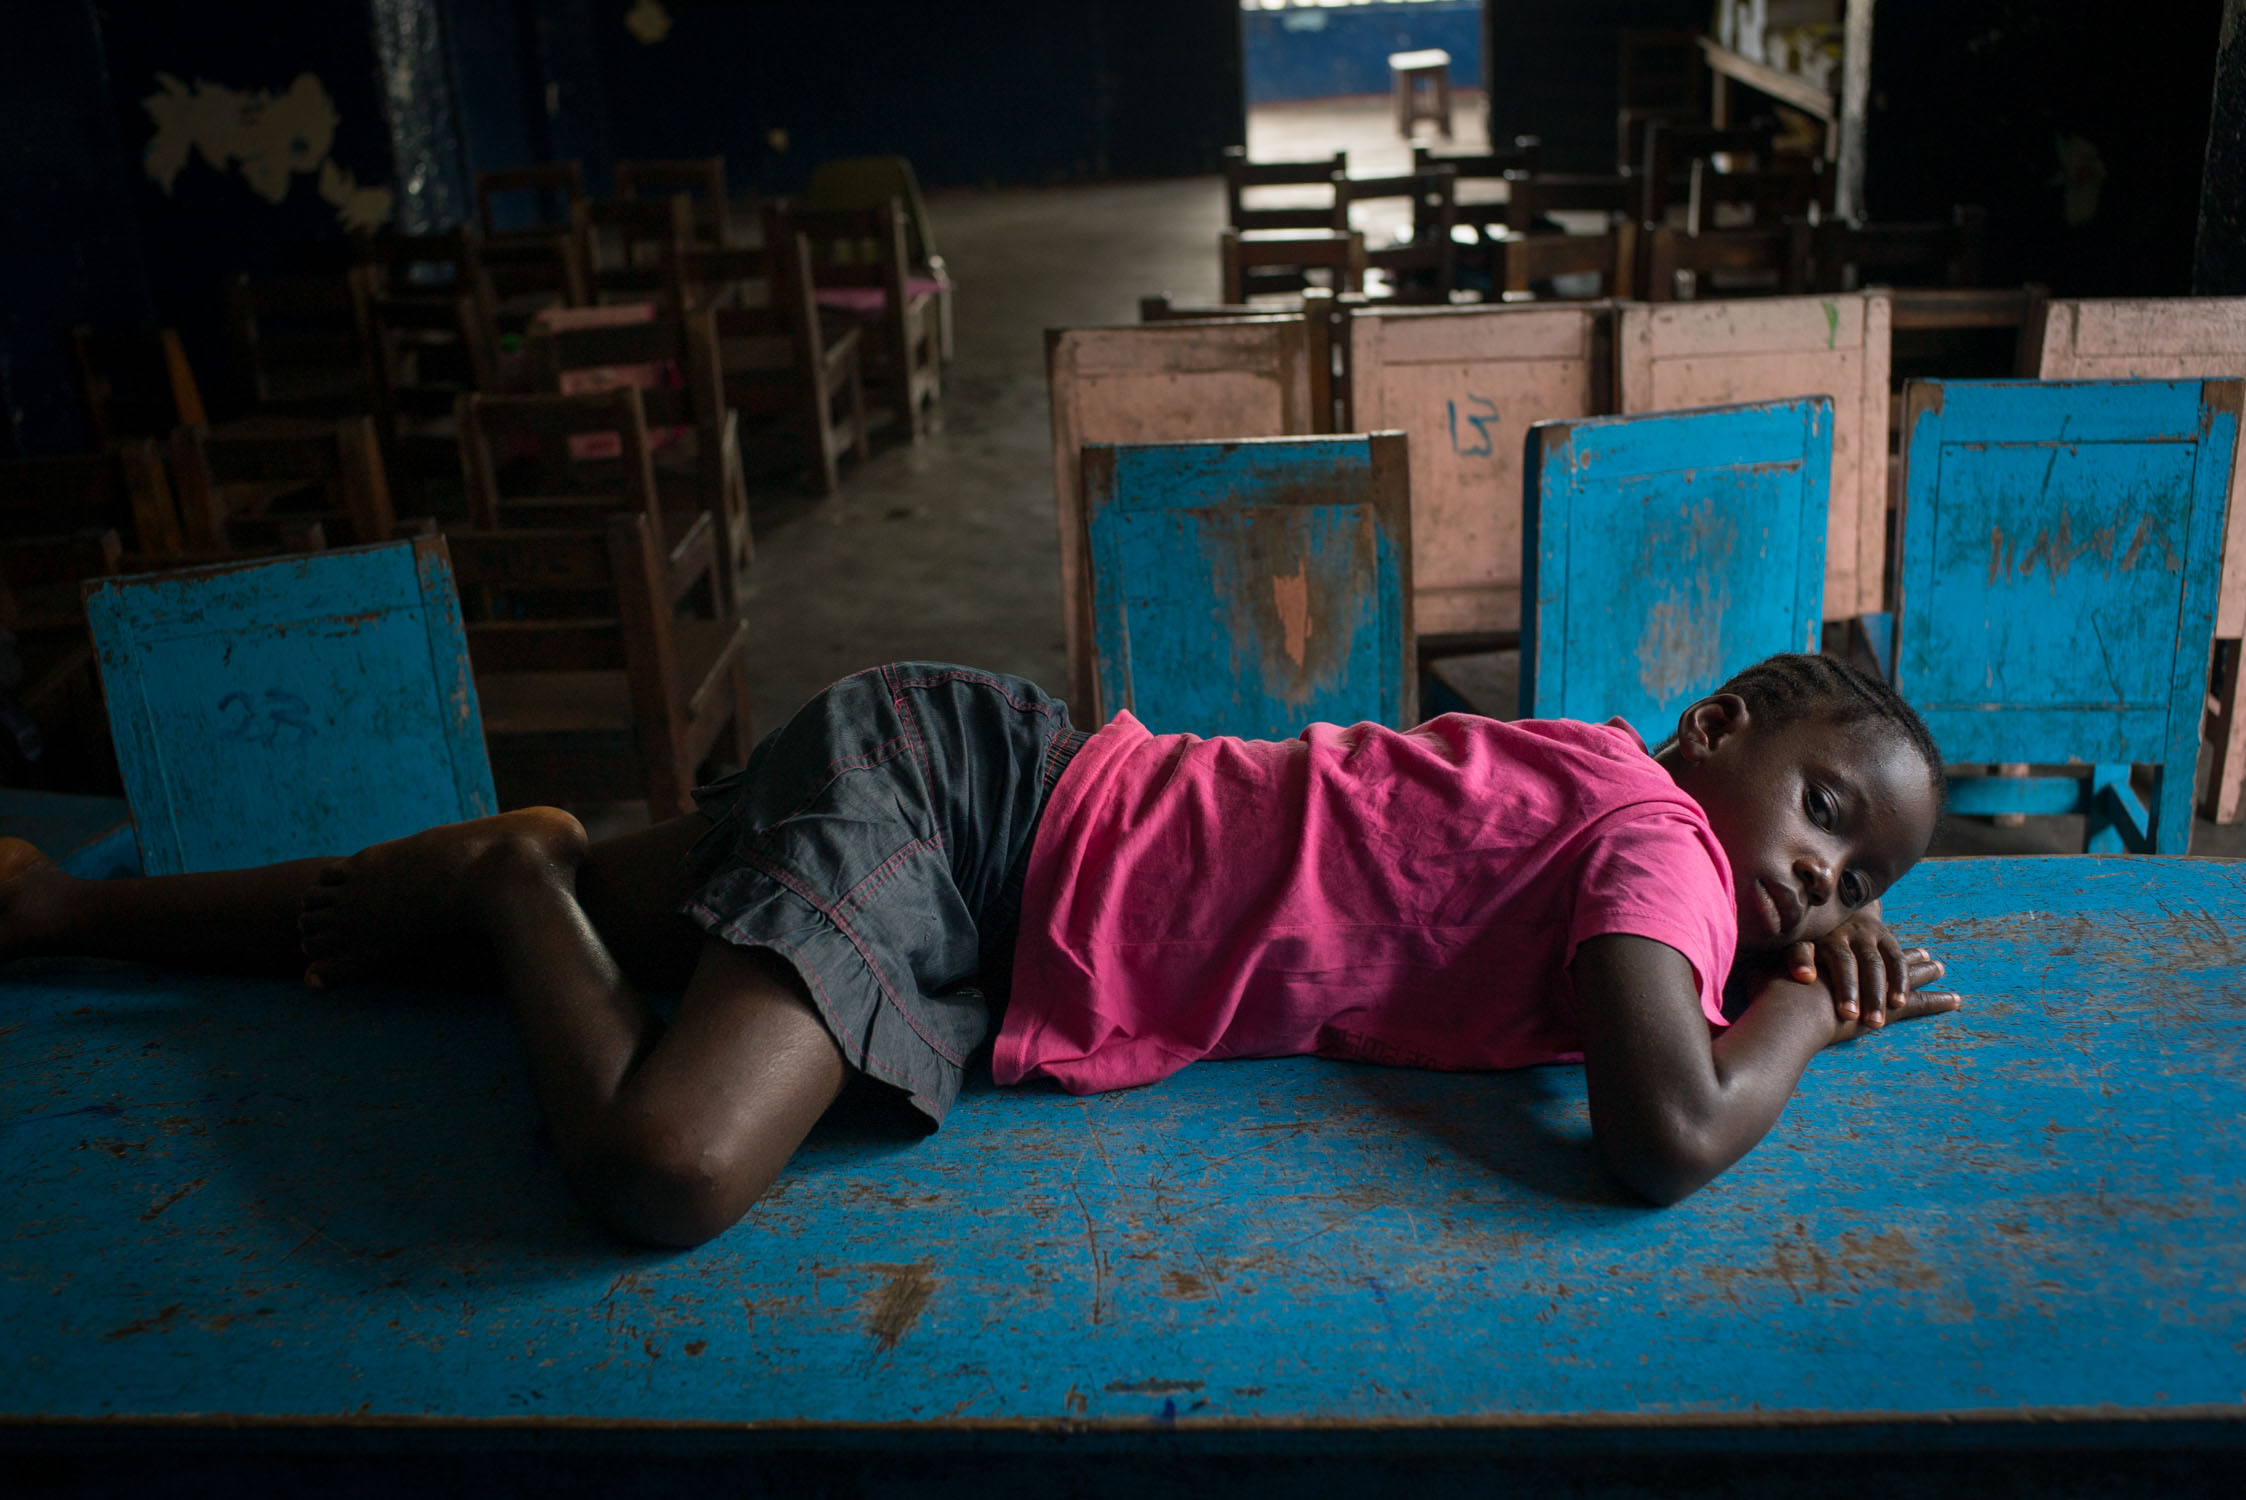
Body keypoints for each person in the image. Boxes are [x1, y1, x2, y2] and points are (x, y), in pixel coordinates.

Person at [0, 653, 1952, 1248]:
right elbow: (1661, 1139)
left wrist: (1792, 959)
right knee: (660, 1166)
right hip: (970, 833)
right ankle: (521, 869)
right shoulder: (1653, 848)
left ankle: (74, 911)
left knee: (536, 933)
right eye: (1823, 817)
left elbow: (1628, 1014)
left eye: (1863, 886)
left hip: (979, 786)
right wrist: (1790, 1009)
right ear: (1716, 738)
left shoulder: (1603, 775)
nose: (1816, 885)